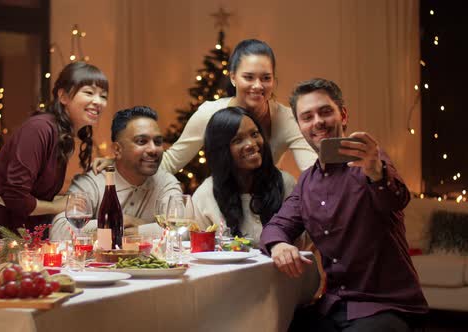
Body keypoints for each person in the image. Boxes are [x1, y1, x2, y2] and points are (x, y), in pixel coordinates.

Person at [260, 78, 427, 331]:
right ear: (300, 127)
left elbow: (397, 199)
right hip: (334, 305)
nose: (317, 121)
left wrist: (376, 171)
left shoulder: (371, 161)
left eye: (325, 111)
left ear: (343, 115)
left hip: (386, 306)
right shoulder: (306, 182)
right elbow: (276, 226)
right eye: (307, 117)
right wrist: (279, 244)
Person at [94, 39, 316, 175]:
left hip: (269, 203)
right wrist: (119, 165)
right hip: (221, 204)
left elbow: (312, 170)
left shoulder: (287, 118)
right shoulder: (209, 113)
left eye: (266, 78)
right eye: (249, 77)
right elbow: (171, 163)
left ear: (273, 80)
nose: (258, 85)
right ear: (233, 78)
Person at [0, 62, 109, 255]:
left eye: (103, 96)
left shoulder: (61, 135)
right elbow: (15, 195)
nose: (98, 101)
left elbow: (36, 193)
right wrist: (58, 205)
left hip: (16, 236)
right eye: (89, 92)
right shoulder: (40, 128)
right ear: (63, 96)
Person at [50, 106, 182, 240]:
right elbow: (59, 229)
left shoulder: (165, 182)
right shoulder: (93, 182)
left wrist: (140, 229)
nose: (153, 149)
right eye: (141, 141)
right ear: (117, 149)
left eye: (158, 142)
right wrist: (120, 221)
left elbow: (182, 230)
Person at [191, 107, 295, 244]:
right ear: (221, 151)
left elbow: (303, 245)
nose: (252, 144)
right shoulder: (205, 195)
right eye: (238, 140)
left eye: (254, 134)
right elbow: (201, 253)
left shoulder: (286, 184)